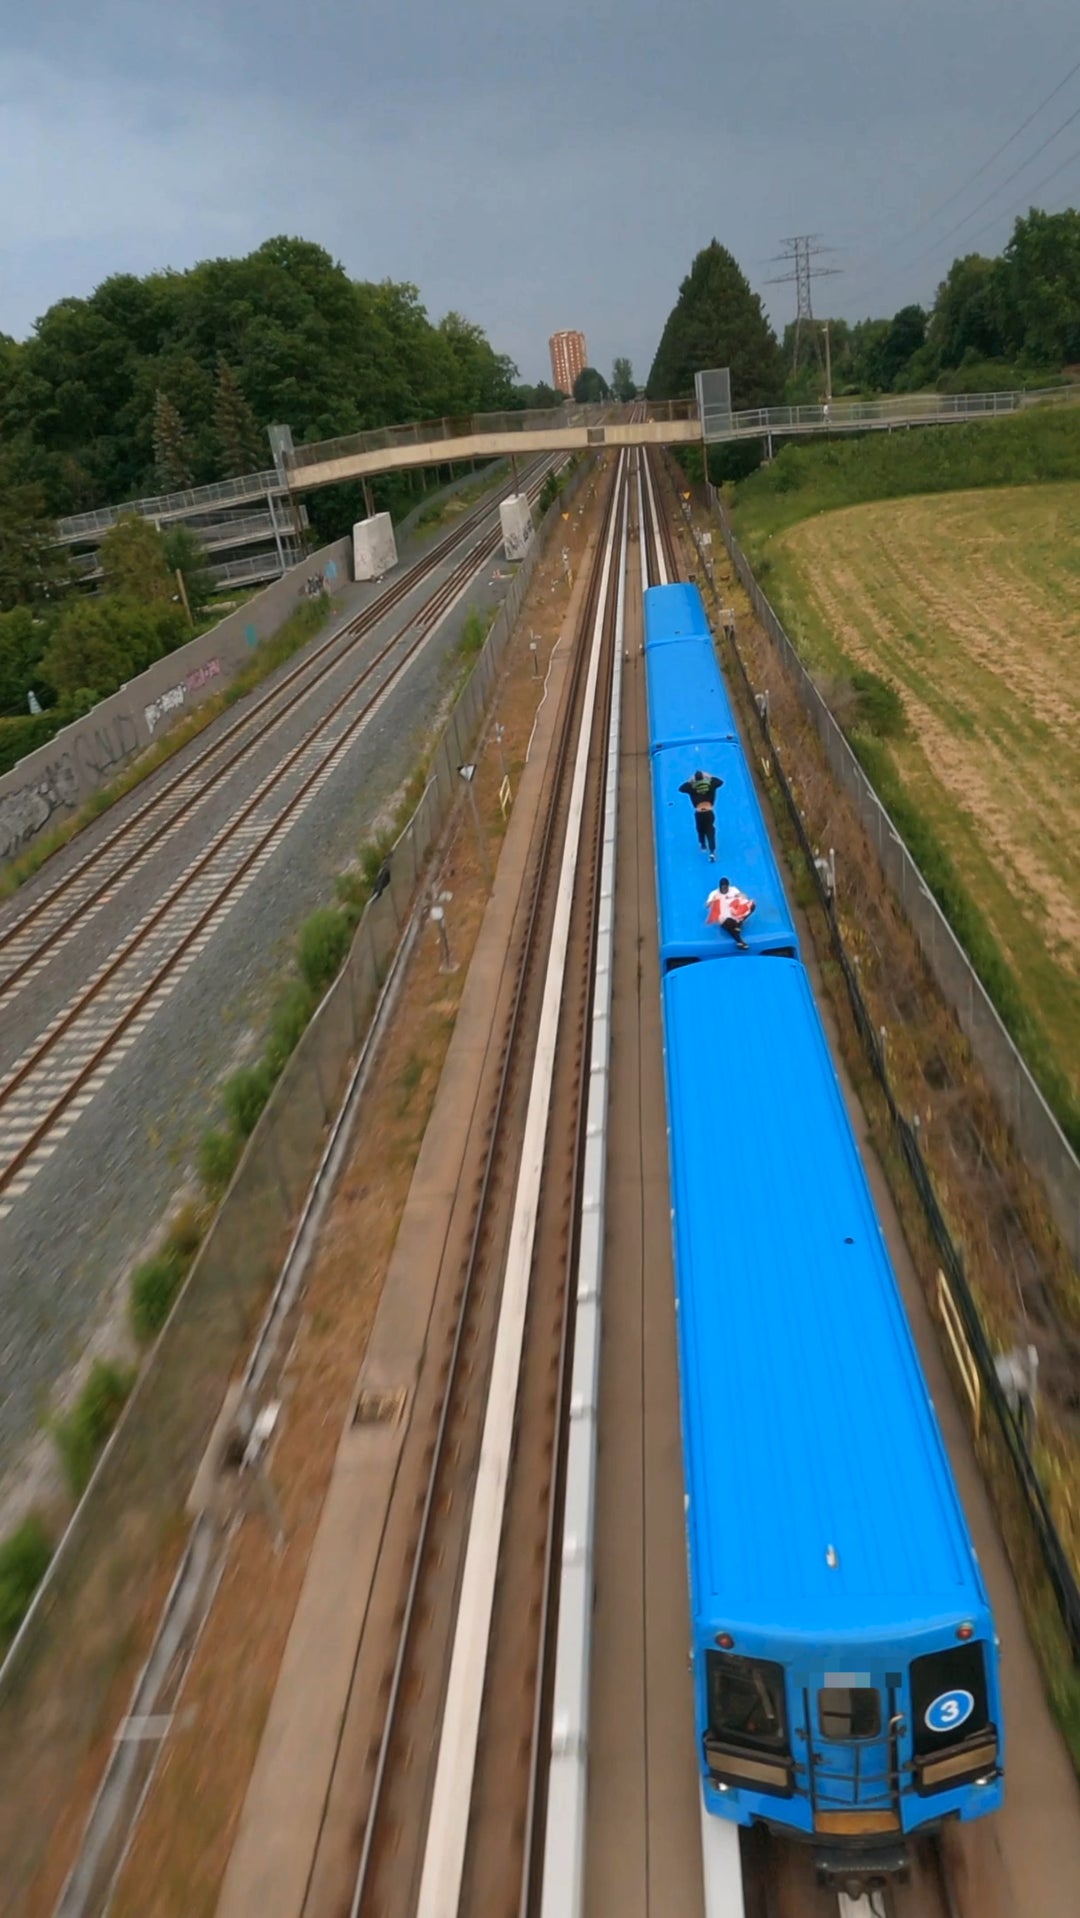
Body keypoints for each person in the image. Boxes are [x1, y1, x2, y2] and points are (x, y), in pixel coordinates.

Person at [679, 768, 723, 858]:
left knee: (701, 830)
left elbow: (681, 788)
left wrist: (690, 781)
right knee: (709, 830)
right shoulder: (710, 786)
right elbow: (719, 782)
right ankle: (710, 850)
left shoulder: (692, 788)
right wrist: (709, 777)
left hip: (699, 813)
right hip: (708, 812)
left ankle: (705, 846)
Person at [706, 877, 755, 950]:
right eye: (722, 888)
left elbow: (742, 896)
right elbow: (707, 905)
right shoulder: (714, 893)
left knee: (752, 905)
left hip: (734, 913)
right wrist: (713, 901)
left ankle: (738, 925)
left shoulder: (733, 889)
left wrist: (743, 898)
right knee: (729, 922)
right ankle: (739, 940)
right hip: (724, 917)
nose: (724, 889)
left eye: (725, 887)